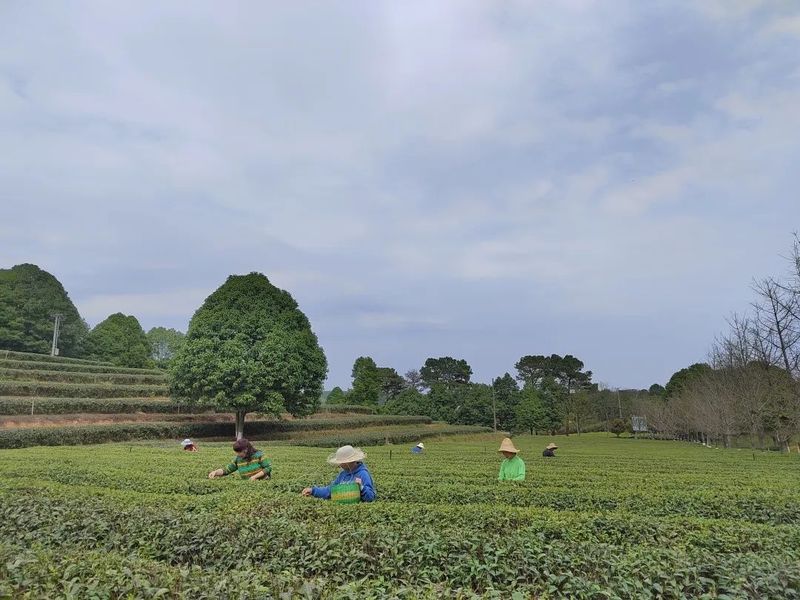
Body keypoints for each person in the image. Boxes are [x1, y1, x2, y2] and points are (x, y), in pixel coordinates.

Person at [301, 445, 376, 502]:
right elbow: (330, 490)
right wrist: (313, 491)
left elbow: (371, 497)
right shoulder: (342, 474)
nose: (339, 465)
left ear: (348, 461)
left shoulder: (363, 474)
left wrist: (361, 487)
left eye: (341, 462)